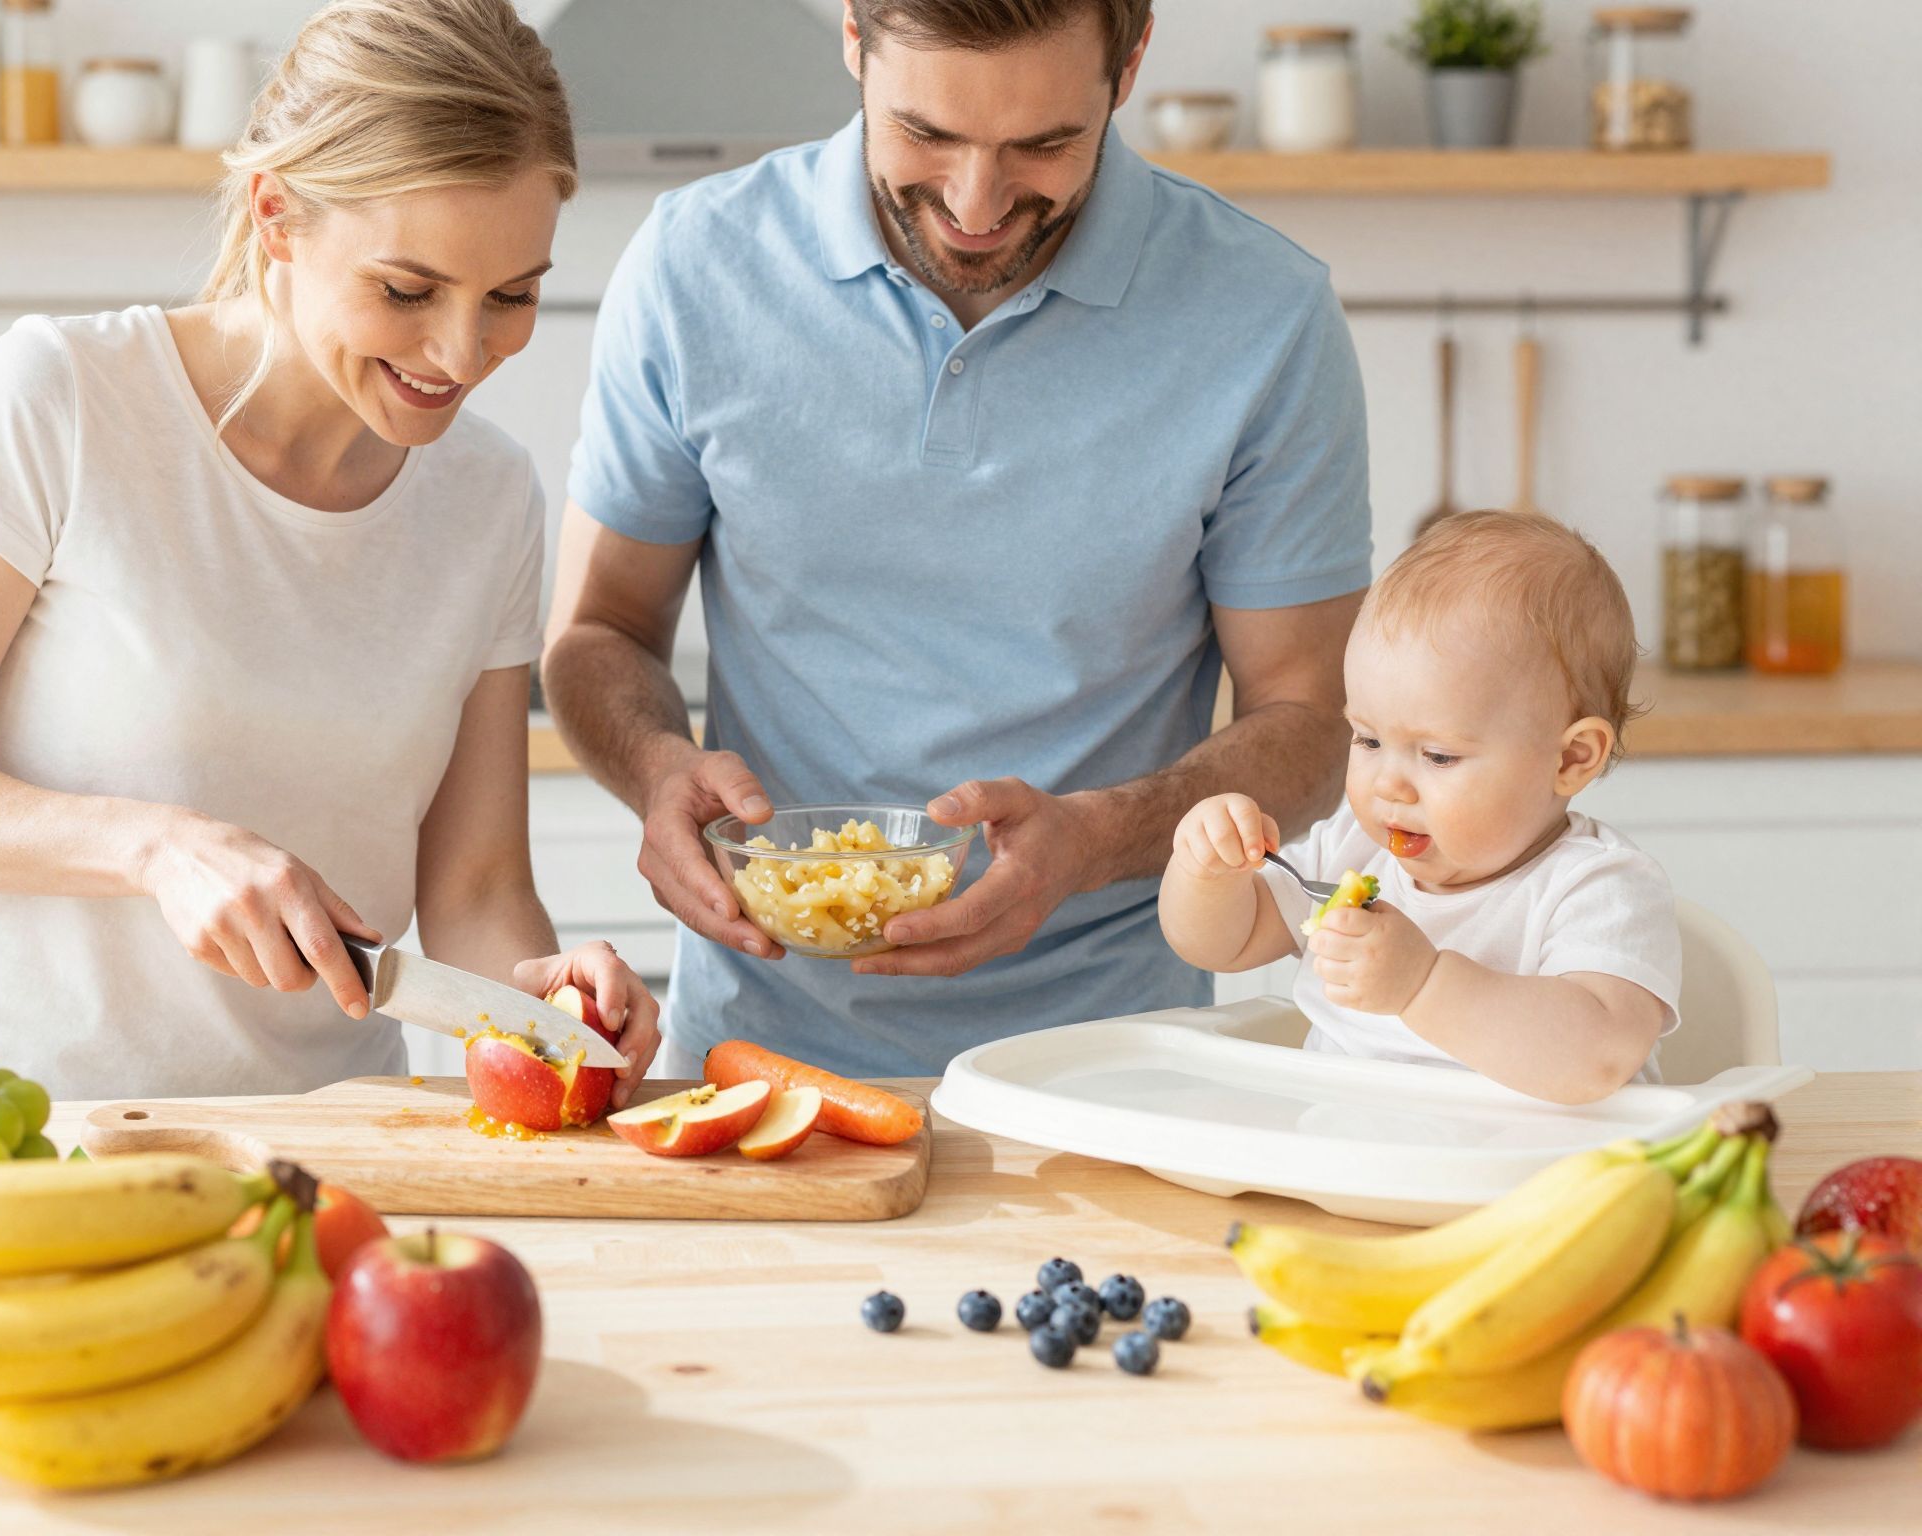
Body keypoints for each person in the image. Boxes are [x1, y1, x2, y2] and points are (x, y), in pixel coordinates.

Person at [546, 0, 1372, 1078]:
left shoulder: (1266, 315)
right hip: (752, 1054)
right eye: (925, 133)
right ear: (853, 35)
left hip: (1118, 1061)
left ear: (1128, 65)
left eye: (1043, 144)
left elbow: (1310, 719)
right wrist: (660, 773)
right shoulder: (693, 264)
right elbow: (599, 630)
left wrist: (1091, 842)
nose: (975, 204)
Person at [0, 0, 659, 1101]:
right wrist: (154, 848)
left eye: (512, 296)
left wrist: (550, 1006)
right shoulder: (61, 400)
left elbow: (476, 890)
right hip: (32, 1131)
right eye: (407, 290)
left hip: (335, 1143)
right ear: (277, 215)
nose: (460, 352)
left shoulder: (486, 495)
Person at [1159, 511, 1680, 1105]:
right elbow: (1222, 945)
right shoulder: (1351, 853)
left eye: (1437, 756)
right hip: (1345, 1146)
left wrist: (1424, 984)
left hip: (1533, 1161)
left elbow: (1597, 1059)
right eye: (1367, 740)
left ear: (1570, 759)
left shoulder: (1598, 889)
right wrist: (1205, 871)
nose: (1389, 785)